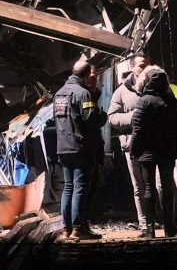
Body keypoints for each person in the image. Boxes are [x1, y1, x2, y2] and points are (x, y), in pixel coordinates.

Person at [53, 57, 108, 240]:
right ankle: (79, 228)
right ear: (85, 75)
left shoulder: (59, 94)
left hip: (63, 147)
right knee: (80, 187)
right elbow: (91, 119)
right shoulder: (82, 93)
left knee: (68, 187)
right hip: (81, 147)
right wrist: (103, 115)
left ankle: (66, 228)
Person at [129, 65, 177, 237]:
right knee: (167, 188)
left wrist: (134, 150)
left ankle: (150, 230)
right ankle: (169, 227)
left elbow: (137, 129)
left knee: (148, 189)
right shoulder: (171, 100)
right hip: (167, 151)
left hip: (147, 151)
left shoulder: (144, 101)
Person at [107, 53, 149, 228]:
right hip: (131, 145)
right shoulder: (122, 91)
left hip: (152, 143)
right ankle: (144, 222)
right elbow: (112, 117)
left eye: (146, 64)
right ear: (131, 67)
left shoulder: (155, 86)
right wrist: (133, 117)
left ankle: (162, 219)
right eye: (140, 65)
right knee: (139, 186)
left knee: (157, 184)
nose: (144, 68)